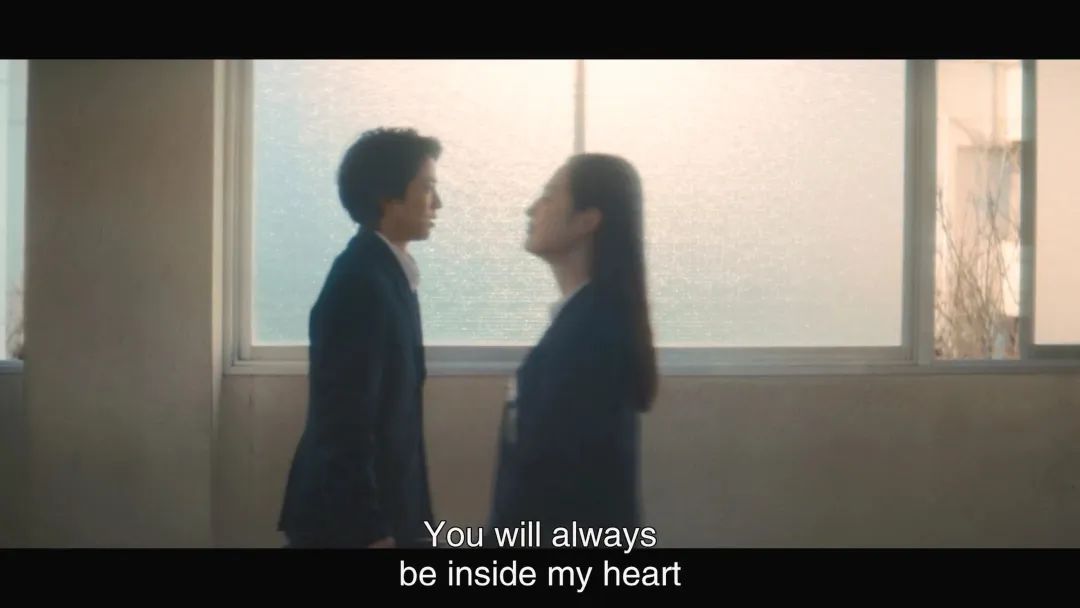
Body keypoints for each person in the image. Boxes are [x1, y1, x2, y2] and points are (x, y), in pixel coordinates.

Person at [278, 127, 443, 548]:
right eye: (427, 188)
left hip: (379, 513)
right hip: (346, 525)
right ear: (388, 198)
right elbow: (343, 423)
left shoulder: (388, 274)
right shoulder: (361, 283)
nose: (438, 203)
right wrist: (369, 529)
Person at [489, 153, 658, 540]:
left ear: (587, 220)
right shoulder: (584, 321)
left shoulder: (592, 335)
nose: (532, 208)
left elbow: (559, 486)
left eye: (549, 196)